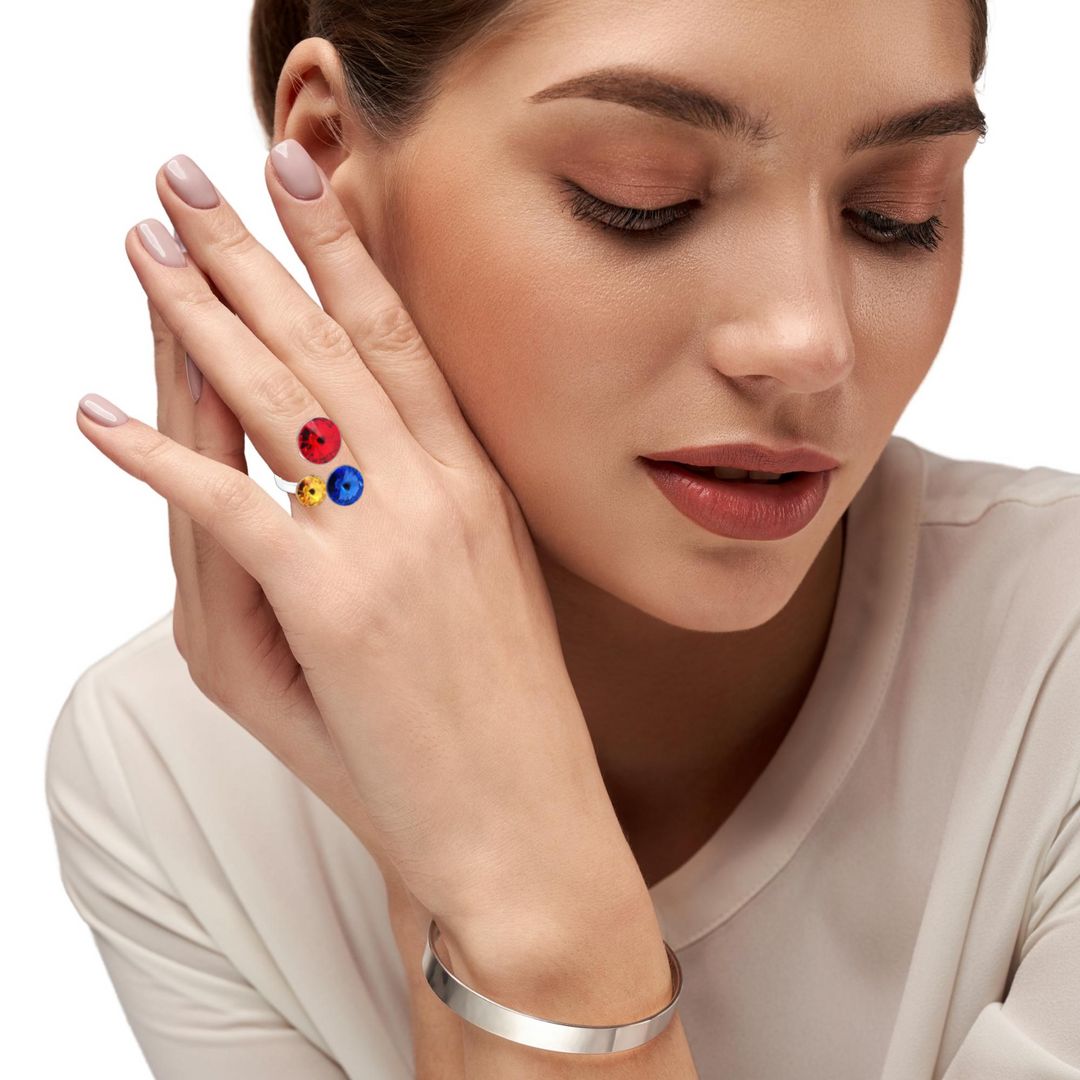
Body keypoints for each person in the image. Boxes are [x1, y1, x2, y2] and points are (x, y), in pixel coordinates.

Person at [44, 0, 1080, 1076]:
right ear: (327, 154)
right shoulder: (166, 774)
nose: (810, 341)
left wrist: (517, 894)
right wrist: (443, 842)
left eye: (893, 211)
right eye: (644, 198)